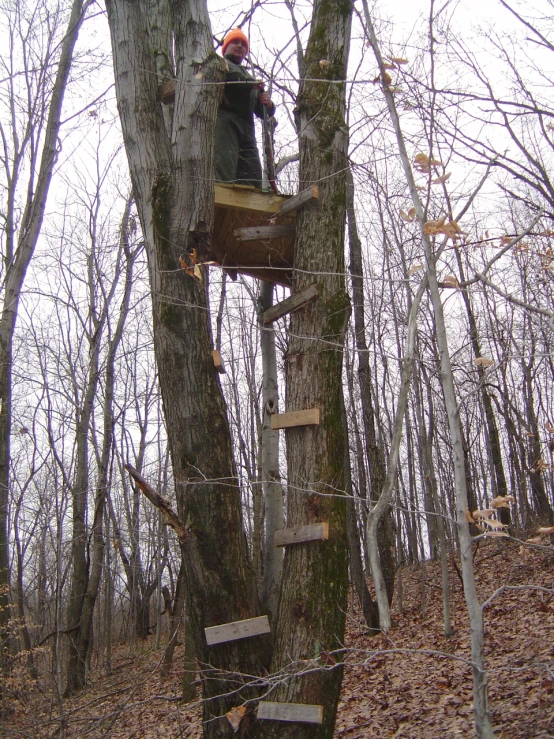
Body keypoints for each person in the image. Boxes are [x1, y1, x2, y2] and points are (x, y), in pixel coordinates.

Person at [214, 28, 275, 189]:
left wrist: (267, 104)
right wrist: (250, 83)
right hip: (226, 122)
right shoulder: (221, 64)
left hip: (247, 127)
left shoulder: (247, 76)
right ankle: (218, 201)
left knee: (252, 174)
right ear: (225, 47)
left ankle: (247, 208)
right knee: (224, 166)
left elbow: (261, 111)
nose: (240, 46)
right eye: (235, 42)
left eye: (243, 44)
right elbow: (232, 78)